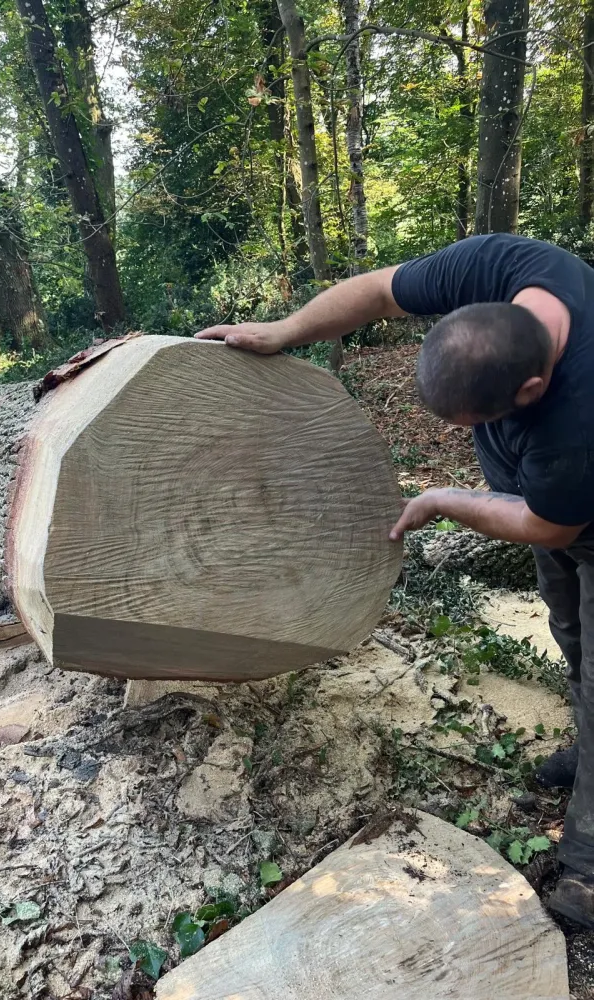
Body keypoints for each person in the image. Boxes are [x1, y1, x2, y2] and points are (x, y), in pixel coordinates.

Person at [196, 232, 594, 928]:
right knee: (570, 632)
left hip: (576, 516)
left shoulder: (579, 420)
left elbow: (550, 526)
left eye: (482, 422)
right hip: (553, 503)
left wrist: (444, 501)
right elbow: (379, 290)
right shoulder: (509, 267)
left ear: (531, 389)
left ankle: (589, 863)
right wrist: (285, 332)